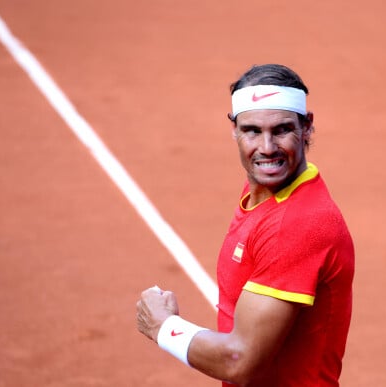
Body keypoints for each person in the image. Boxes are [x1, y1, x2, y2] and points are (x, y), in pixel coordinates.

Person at [136, 63, 355, 386]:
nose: (267, 148)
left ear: (307, 127)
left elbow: (240, 359)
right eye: (253, 130)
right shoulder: (266, 192)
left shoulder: (296, 224)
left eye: (281, 130)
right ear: (234, 129)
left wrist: (163, 326)